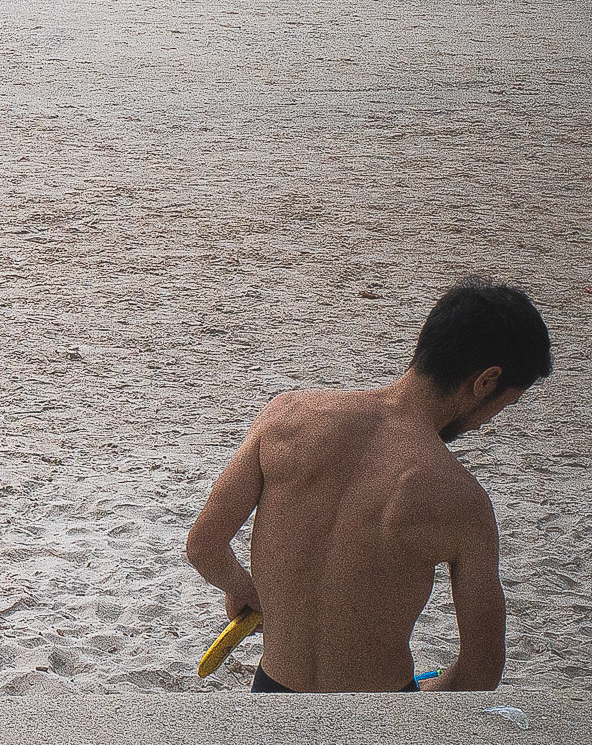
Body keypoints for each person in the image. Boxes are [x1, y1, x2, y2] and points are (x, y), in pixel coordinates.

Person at [186, 280, 552, 693]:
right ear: (486, 381)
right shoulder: (463, 500)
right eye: (506, 403)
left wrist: (242, 589)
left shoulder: (285, 416)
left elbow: (204, 546)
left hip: (274, 694)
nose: (487, 422)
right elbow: (480, 670)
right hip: (380, 712)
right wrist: (424, 695)